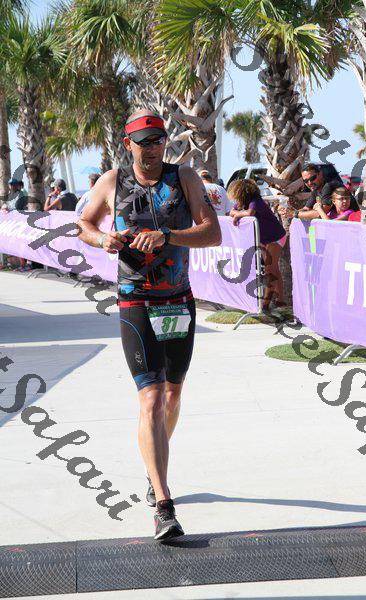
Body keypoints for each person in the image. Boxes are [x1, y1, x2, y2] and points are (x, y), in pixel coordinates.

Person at [77, 110, 221, 541]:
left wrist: (168, 236)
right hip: (135, 299)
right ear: (128, 145)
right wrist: (102, 238)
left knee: (173, 394)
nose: (153, 149)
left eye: (158, 141)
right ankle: (163, 504)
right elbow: (83, 224)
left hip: (177, 300)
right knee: (152, 398)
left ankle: (152, 463)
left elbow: (212, 233)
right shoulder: (112, 181)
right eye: (144, 143)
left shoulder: (185, 178)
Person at [228, 178, 286, 312]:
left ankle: (265, 304)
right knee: (274, 269)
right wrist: (237, 213)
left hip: (275, 237)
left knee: (270, 270)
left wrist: (237, 215)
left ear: (241, 192)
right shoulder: (243, 202)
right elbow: (231, 211)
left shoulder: (256, 201)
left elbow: (250, 213)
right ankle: (281, 301)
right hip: (265, 239)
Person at [279, 163, 358, 221]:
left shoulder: (328, 185)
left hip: (351, 225)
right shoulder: (316, 189)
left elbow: (319, 213)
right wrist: (289, 211)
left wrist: (294, 213)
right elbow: (306, 209)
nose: (309, 183)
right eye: (306, 181)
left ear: (320, 174)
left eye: (312, 178)